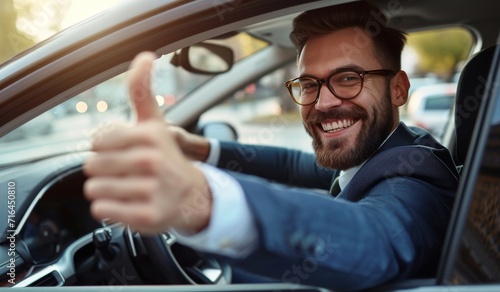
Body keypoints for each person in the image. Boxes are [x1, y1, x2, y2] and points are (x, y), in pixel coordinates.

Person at [83, 1, 459, 290]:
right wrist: (196, 149)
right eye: (309, 84)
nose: (323, 103)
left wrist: (205, 202)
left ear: (398, 89)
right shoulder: (385, 152)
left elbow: (376, 238)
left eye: (348, 78)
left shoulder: (415, 178)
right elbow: (293, 166)